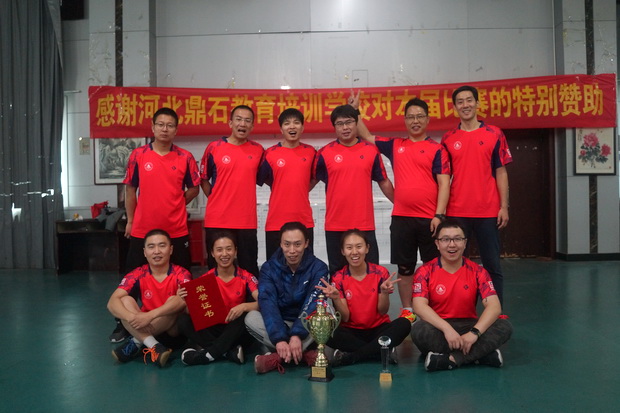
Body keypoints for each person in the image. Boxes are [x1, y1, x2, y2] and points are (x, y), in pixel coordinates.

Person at [350, 92, 450, 321]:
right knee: (405, 268)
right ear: (405, 120)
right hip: (402, 218)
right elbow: (366, 136)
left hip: (430, 220)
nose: (415, 121)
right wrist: (356, 111)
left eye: (420, 116)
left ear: (427, 120)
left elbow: (444, 183)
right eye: (411, 117)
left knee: (433, 267)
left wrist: (439, 215)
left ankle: (434, 310)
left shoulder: (437, 149)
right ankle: (408, 310)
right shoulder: (396, 145)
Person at [111, 108, 200, 343]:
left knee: (185, 283)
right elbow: (130, 190)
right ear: (152, 127)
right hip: (143, 229)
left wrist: (177, 202)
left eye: (170, 125)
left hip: (176, 229)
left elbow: (194, 188)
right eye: (160, 124)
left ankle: (184, 325)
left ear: (176, 130)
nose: (165, 129)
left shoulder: (185, 157)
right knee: (131, 280)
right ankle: (123, 324)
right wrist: (131, 221)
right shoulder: (138, 155)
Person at [441, 85, 512, 306]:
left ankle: (497, 312)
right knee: (457, 265)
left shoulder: (494, 133)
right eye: (460, 102)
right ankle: (461, 311)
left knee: (492, 265)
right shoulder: (448, 138)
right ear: (455, 107)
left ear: (477, 103)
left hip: (488, 211)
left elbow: (501, 172)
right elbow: (443, 179)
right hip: (457, 211)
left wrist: (504, 206)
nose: (465, 105)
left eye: (469, 100)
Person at [410, 219, 513, 372]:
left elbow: (494, 306)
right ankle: (480, 355)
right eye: (446, 239)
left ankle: (451, 359)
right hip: (439, 327)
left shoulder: (478, 271)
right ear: (437, 244)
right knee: (419, 330)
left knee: (504, 326)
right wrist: (447, 329)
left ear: (465, 243)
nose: (452, 245)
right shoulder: (425, 271)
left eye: (457, 239)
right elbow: (419, 306)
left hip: (469, 326)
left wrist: (474, 333)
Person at [313, 104, 394, 274]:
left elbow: (384, 181)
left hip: (364, 224)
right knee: (337, 274)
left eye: (349, 122)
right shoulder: (325, 153)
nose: (345, 127)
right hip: (335, 225)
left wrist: (400, 204)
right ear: (334, 127)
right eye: (340, 123)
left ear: (356, 123)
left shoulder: (371, 150)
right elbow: (309, 182)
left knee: (371, 273)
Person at [317, 229, 412, 366]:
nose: (354, 252)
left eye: (359, 246)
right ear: (343, 251)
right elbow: (345, 318)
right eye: (349, 248)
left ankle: (353, 356)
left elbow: (382, 311)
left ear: (367, 248)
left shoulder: (381, 273)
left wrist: (384, 293)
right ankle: (380, 351)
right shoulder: (338, 277)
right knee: (326, 329)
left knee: (404, 323)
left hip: (378, 329)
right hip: (351, 332)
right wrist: (336, 299)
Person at [245, 222, 329, 374]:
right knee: (250, 318)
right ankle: (303, 355)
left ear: (306, 243)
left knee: (328, 313)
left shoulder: (319, 268)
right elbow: (267, 303)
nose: (292, 251)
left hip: (306, 325)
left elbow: (313, 302)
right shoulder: (268, 268)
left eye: (297, 244)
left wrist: (297, 334)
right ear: (280, 244)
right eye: (287, 244)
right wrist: (279, 338)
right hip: (279, 322)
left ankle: (278, 357)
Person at [107, 229, 191, 367]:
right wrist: (131, 317)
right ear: (145, 252)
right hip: (142, 324)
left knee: (175, 300)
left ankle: (136, 342)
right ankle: (154, 346)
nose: (156, 251)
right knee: (125, 301)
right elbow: (112, 303)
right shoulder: (137, 273)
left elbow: (184, 301)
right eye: (151, 247)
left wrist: (150, 316)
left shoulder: (182, 273)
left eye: (162, 246)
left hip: (171, 333)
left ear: (170, 250)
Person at [177, 231, 259, 366]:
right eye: (219, 250)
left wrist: (244, 306)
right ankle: (227, 352)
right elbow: (193, 313)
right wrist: (185, 300)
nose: (224, 254)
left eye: (229, 249)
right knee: (183, 320)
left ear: (235, 251)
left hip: (236, 330)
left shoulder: (246, 277)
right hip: (215, 329)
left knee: (245, 316)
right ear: (212, 253)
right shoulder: (205, 280)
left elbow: (263, 302)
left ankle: (207, 355)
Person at [200, 105, 264, 278]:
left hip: (246, 221)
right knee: (216, 270)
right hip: (218, 220)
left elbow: (263, 178)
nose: (242, 124)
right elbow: (203, 179)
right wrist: (215, 198)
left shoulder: (258, 150)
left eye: (247, 121)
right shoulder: (214, 147)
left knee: (249, 269)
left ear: (252, 126)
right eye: (238, 119)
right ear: (230, 123)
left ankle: (249, 297)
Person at [258, 108, 317, 260]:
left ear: (302, 128)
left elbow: (315, 176)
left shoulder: (311, 152)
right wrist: (279, 186)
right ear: (281, 129)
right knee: (275, 266)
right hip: (276, 221)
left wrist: (303, 188)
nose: (292, 126)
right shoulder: (270, 153)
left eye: (296, 123)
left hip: (303, 220)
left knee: (305, 266)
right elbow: (262, 178)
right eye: (287, 123)